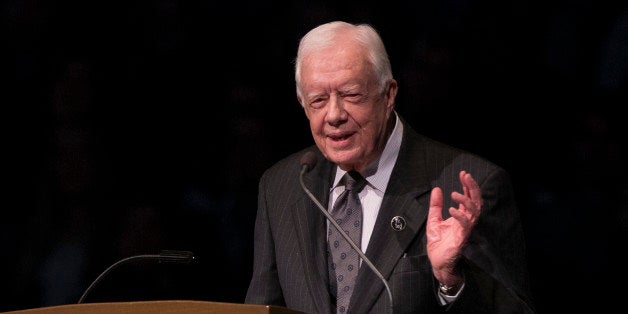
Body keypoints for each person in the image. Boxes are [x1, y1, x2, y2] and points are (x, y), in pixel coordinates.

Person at [245, 21, 535, 314]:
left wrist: (452, 283)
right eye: (318, 100)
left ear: (388, 94)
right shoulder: (282, 186)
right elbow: (262, 306)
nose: (334, 115)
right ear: (303, 105)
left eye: (351, 95)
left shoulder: (468, 188)